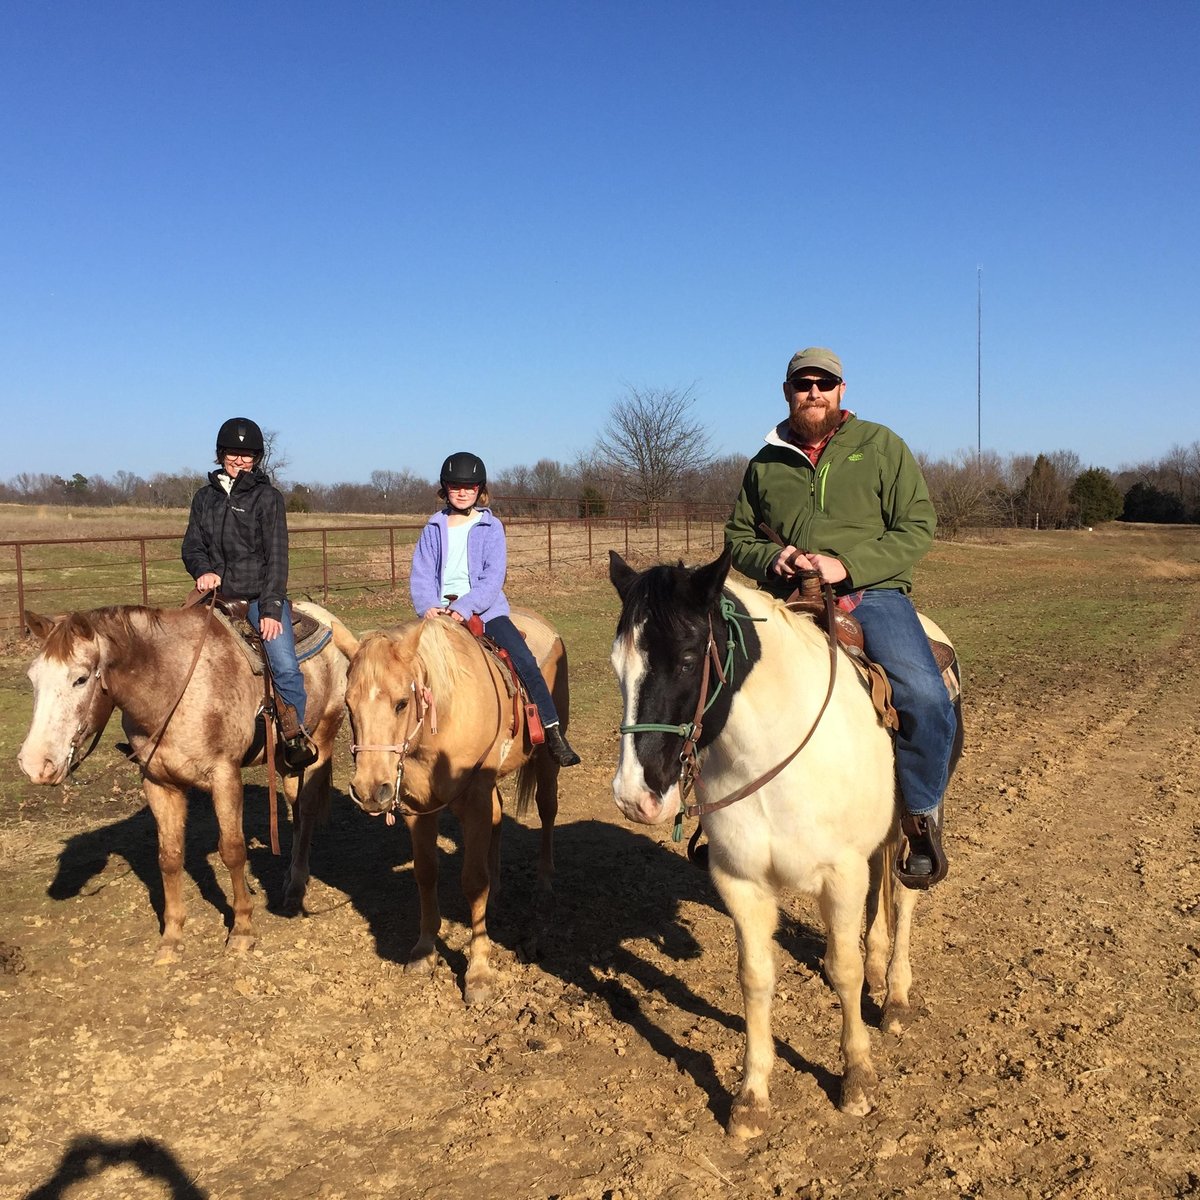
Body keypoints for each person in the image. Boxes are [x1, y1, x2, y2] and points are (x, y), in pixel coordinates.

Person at [724, 347, 956, 886]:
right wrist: (771, 557)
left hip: (871, 594)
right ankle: (724, 816)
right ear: (787, 392)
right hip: (785, 595)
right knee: (718, 685)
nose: (814, 392)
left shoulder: (880, 446)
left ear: (841, 391)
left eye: (824, 383)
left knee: (924, 696)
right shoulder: (765, 461)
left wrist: (846, 565)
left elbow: (917, 526)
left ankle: (920, 817)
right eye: (803, 384)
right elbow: (738, 538)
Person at [410, 451, 581, 768]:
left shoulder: (491, 526)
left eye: (469, 487)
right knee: (403, 664)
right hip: (437, 615)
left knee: (525, 660)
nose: (462, 492)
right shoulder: (433, 528)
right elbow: (420, 576)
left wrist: (465, 607)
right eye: (455, 486)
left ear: (479, 489)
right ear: (444, 488)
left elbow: (493, 578)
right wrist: (428, 607)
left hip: (484, 612)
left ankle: (553, 730)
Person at [181, 417, 318, 772]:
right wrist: (202, 571)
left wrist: (272, 609)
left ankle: (295, 736)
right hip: (215, 594)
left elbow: (277, 557)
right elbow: (192, 545)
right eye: (233, 454)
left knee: (285, 665)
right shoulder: (204, 498)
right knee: (178, 650)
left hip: (258, 597)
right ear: (221, 454)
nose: (239, 461)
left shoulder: (267, 498)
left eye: (246, 455)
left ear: (256, 458)